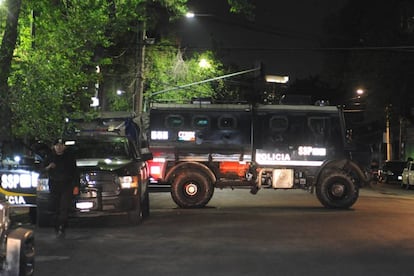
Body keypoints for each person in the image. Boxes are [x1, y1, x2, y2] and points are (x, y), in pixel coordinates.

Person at [45, 138, 77, 238]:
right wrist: (49, 167)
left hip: (66, 185)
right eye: (57, 145)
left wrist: (76, 186)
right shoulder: (50, 157)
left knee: (64, 207)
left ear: (64, 146)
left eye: (61, 145)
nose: (59, 147)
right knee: (55, 207)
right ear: (54, 147)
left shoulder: (69, 158)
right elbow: (42, 169)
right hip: (54, 185)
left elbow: (75, 172)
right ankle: (56, 226)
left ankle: (61, 228)